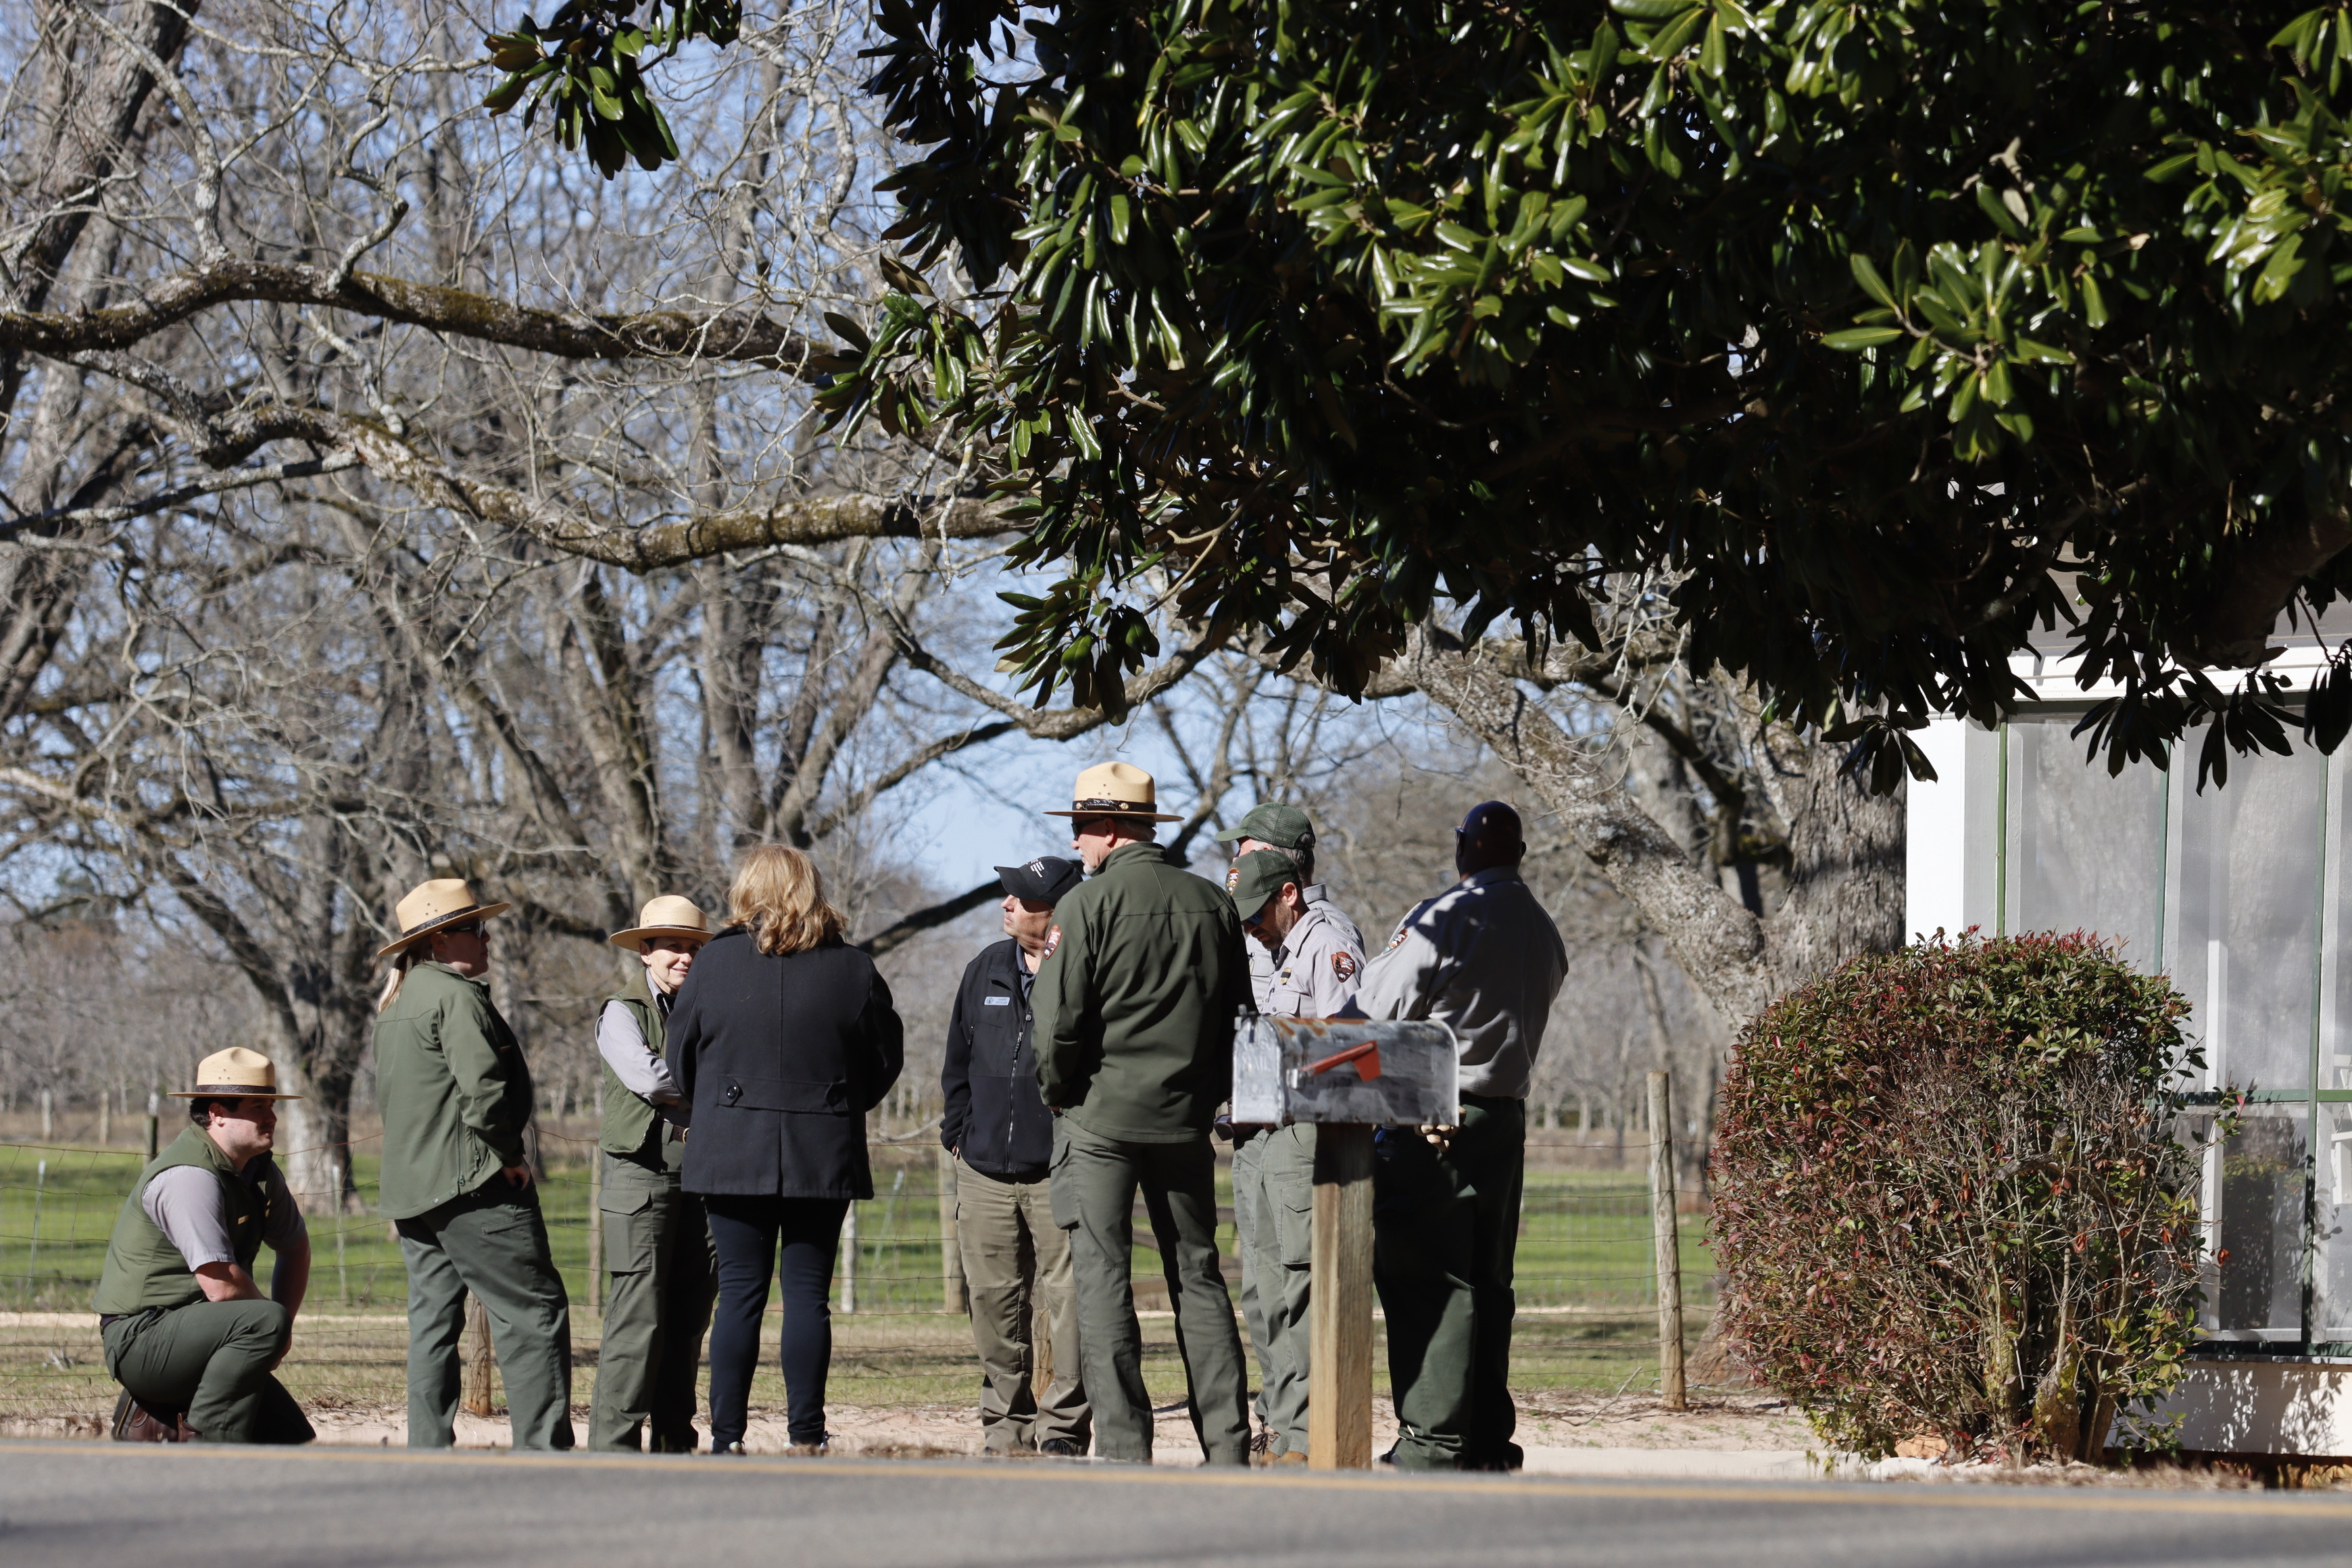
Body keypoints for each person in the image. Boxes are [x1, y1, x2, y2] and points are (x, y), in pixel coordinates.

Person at [1035, 760, 1254, 1465]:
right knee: (1199, 1274)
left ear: (1105, 828)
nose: (1075, 843)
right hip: (1184, 1120)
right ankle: (1227, 1444)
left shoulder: (1084, 907)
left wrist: (1060, 1089)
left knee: (1103, 1278)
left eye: (1078, 828)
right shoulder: (1213, 904)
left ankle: (1128, 1447)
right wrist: (1206, 1093)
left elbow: (1058, 1026)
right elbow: (1238, 1015)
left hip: (1098, 1118)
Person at [1342, 802, 1567, 1471]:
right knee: (1488, 1278)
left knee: (1425, 1275)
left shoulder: (1447, 915)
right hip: (1504, 1116)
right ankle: (1485, 1434)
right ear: (1520, 853)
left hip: (1432, 1113)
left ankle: (1431, 1439)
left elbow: (1375, 1004)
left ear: (1465, 847)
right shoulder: (1541, 925)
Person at [667, 845, 904, 1456]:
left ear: (747, 889)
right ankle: (805, 1435)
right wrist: (837, 1103)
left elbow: (681, 1057)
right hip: (819, 1145)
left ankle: (726, 1438)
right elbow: (884, 1059)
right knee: (808, 1294)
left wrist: (721, 1107)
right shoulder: (852, 968)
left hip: (732, 1145)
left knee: (740, 1292)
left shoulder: (713, 964)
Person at [374, 878, 574, 1450]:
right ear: (438, 941)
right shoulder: (455, 998)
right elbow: (483, 1096)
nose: (487, 939)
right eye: (473, 928)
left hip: (414, 1190)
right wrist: (509, 1156)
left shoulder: (395, 1005)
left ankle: (427, 1450)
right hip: (473, 1186)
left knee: (433, 1325)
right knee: (532, 1311)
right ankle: (543, 1453)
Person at [940, 855, 1091, 1456]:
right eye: (1008, 896)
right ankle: (1005, 1426)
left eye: (1022, 899)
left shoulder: (1086, 968)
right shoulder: (985, 969)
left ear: (1056, 916)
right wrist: (959, 1132)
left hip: (1061, 1168)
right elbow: (957, 1060)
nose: (1007, 906)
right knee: (993, 1301)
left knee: (1071, 1304)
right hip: (982, 1171)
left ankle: (1062, 1431)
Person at [93, 1047, 314, 1445]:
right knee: (264, 1322)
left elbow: (295, 1247)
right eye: (258, 1107)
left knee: (291, 1439)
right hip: (141, 1339)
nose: (272, 1116)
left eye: (272, 1105)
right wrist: (272, 1328)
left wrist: (281, 1329)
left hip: (201, 1329)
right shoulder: (188, 1176)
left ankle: (171, 1417)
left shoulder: (259, 1168)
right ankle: (206, 1448)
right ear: (216, 1114)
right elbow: (222, 1286)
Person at [1224, 848, 1366, 1465]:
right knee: (1262, 1288)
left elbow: (1350, 1048)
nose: (1251, 926)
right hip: (1260, 1127)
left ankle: (1307, 1434)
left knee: (1299, 1284)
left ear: (1288, 893)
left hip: (1303, 1128)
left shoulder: (1326, 939)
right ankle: (1280, 1426)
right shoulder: (1279, 945)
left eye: (1257, 912)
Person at [588, 894, 721, 1452]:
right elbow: (649, 1077)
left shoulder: (713, 1009)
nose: (685, 957)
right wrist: (716, 1094)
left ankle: (674, 1442)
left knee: (690, 1320)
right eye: (672, 946)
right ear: (645, 951)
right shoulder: (621, 1011)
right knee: (637, 1318)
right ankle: (612, 1446)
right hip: (640, 1179)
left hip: (706, 1178)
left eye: (693, 947)